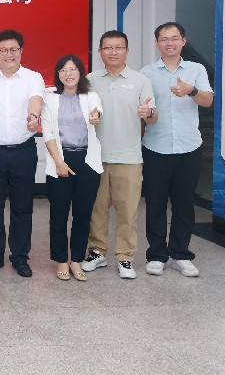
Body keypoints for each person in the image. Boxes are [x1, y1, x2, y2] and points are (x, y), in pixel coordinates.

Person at [82, 30, 157, 280]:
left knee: (128, 211)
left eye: (118, 47)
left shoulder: (140, 80)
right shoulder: (89, 80)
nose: (113, 52)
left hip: (129, 157)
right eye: (107, 48)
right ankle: (97, 252)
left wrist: (148, 113)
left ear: (127, 50)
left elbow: (153, 116)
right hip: (96, 156)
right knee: (97, 208)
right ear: (100, 51)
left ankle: (125, 257)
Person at [141, 22, 213, 277]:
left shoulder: (196, 69)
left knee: (184, 204)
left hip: (188, 146)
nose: (169, 43)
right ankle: (157, 254)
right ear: (157, 43)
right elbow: (145, 110)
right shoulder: (147, 73)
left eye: (174, 38)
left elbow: (207, 100)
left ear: (184, 41)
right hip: (156, 147)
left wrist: (190, 90)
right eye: (164, 39)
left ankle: (180, 254)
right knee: (155, 203)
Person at [0, 29, 45, 278]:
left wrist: (33, 117)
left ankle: (20, 256)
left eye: (13, 49)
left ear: (21, 51)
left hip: (23, 151)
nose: (8, 54)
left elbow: (36, 99)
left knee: (22, 206)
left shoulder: (33, 77)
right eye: (3, 50)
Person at [42, 55, 102, 282]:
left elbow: (97, 112)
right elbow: (47, 133)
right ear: (58, 74)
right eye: (64, 70)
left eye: (73, 69)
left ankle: (76, 259)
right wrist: (59, 162)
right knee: (58, 214)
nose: (69, 74)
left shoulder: (91, 96)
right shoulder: (50, 98)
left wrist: (95, 116)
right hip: (60, 160)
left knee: (83, 214)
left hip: (87, 161)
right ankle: (60, 260)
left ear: (80, 73)